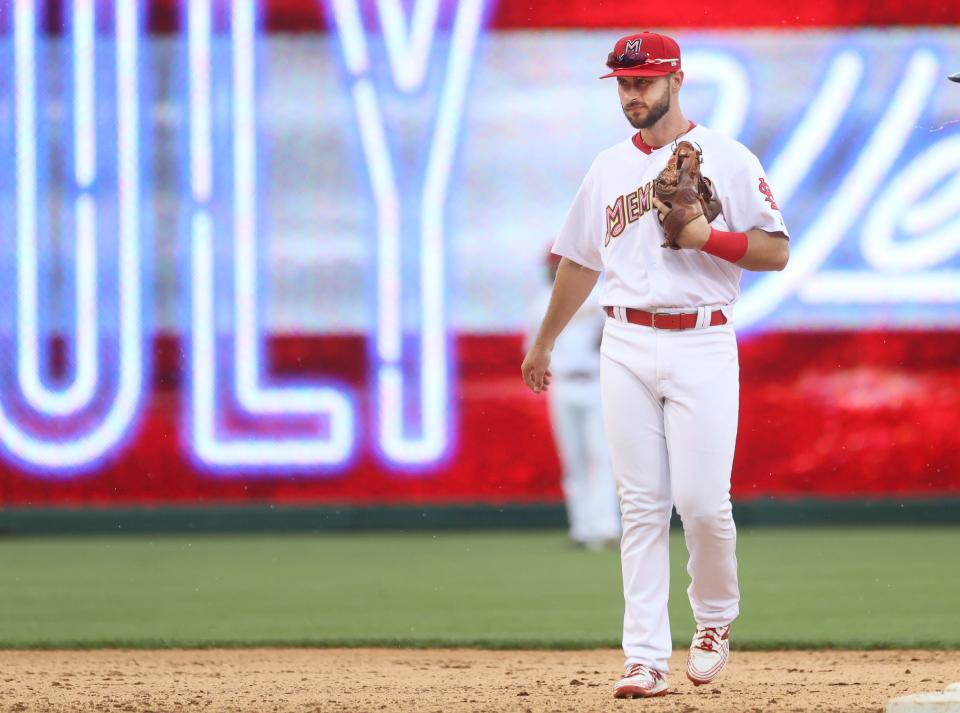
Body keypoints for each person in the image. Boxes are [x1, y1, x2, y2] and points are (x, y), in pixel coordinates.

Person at [520, 31, 790, 699]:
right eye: (623, 82)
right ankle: (644, 656)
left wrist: (707, 236)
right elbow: (580, 260)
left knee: (701, 504)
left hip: (701, 339)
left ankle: (715, 618)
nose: (632, 93)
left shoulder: (727, 156)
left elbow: (774, 250)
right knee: (640, 507)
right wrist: (545, 339)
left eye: (643, 80)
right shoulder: (609, 166)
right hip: (626, 341)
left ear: (676, 79)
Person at [526, 248, 620, 550]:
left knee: (603, 457)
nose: (555, 269)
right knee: (574, 460)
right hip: (563, 382)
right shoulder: (539, 304)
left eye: (560, 263)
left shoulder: (600, 294)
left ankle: (606, 527)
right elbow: (531, 350)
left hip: (596, 381)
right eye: (553, 265)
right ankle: (581, 528)